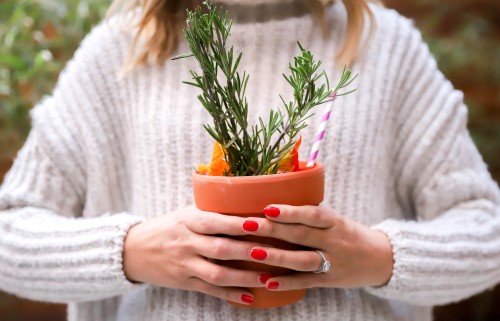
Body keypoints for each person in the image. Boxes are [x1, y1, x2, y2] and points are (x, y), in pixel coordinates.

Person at [0, 0, 499, 320]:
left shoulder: (387, 47)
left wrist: (378, 256)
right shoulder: (121, 48)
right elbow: (10, 234)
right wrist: (132, 250)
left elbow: (488, 232)